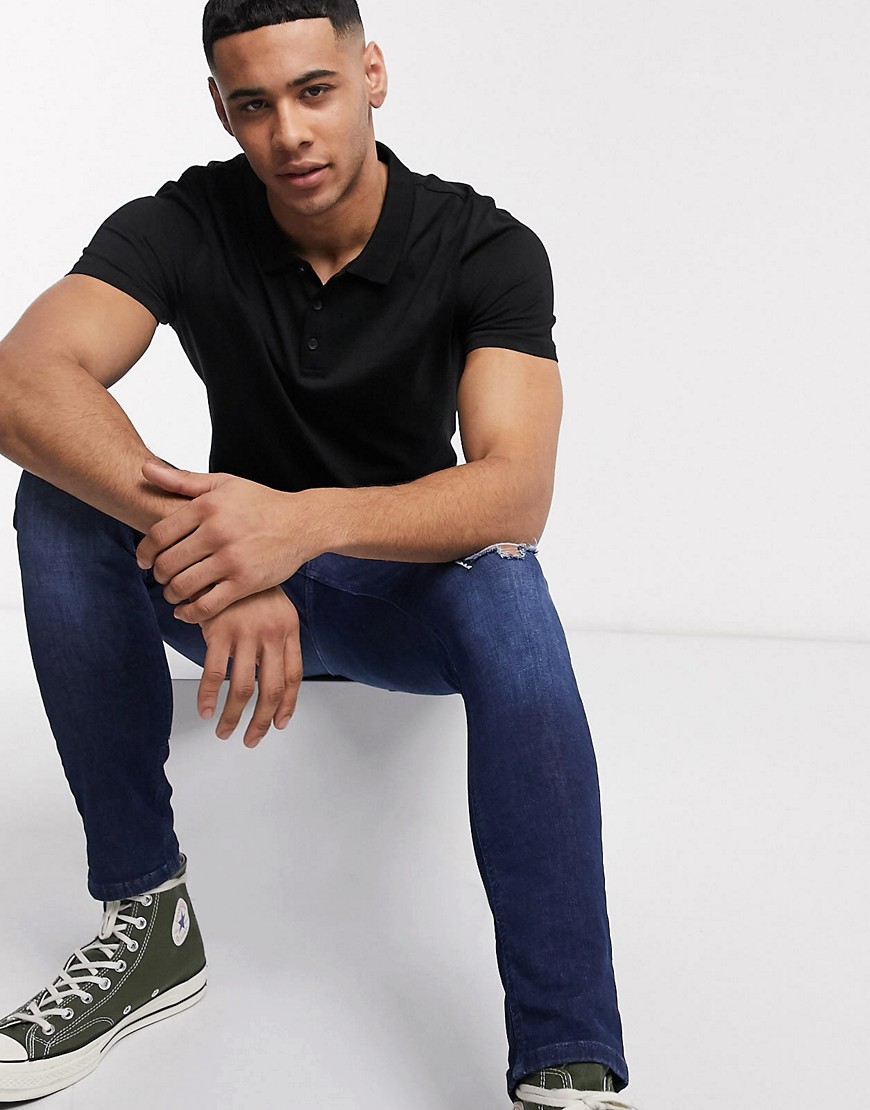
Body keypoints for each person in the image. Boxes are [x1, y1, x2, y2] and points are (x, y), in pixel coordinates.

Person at [0, 2, 636, 1106]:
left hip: (403, 603)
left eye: (314, 90)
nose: (288, 132)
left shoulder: (482, 248)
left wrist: (300, 525)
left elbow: (515, 490)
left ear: (371, 74)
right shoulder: (186, 222)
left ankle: (566, 1051)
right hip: (229, 588)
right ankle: (148, 918)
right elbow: (23, 383)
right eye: (254, 104)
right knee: (57, 500)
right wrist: (221, 557)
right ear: (221, 110)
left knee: (507, 585)